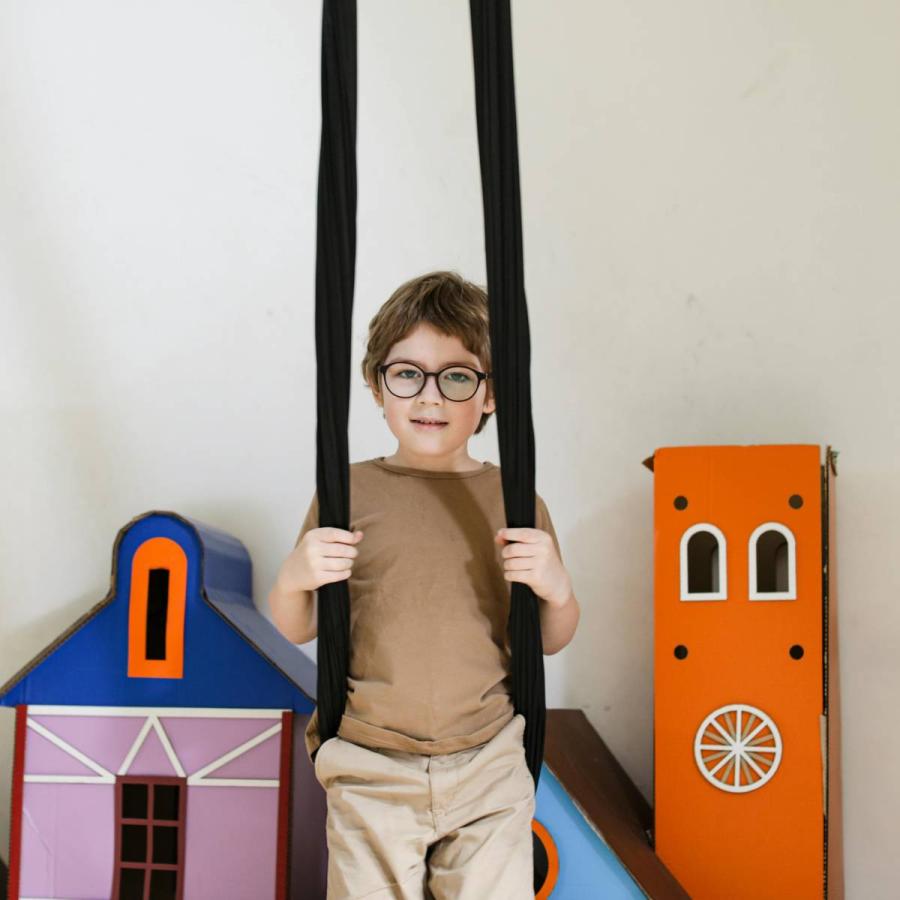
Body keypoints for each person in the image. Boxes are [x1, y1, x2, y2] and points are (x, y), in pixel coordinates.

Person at [269, 270, 580, 899]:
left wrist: (557, 589)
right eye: (407, 374)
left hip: (488, 758)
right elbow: (297, 625)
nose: (429, 398)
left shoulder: (514, 499)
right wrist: (296, 575)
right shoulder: (347, 491)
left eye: (457, 377)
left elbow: (549, 640)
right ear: (375, 386)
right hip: (372, 760)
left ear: (491, 396)